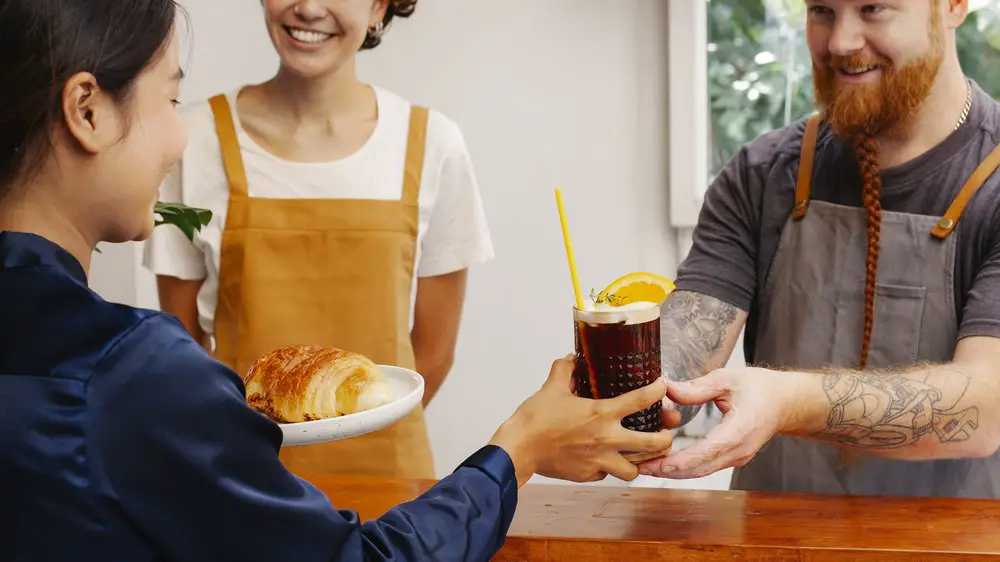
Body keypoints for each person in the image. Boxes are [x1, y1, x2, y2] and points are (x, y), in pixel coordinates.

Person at [0, 1, 676, 559]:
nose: (178, 131)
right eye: (170, 97)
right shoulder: (135, 375)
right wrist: (522, 444)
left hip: (353, 485)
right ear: (86, 111)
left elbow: (430, 353)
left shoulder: (430, 145)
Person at [637, 0, 1000, 498]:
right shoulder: (762, 174)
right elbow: (686, 349)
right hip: (770, 544)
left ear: (955, 6)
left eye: (873, 8)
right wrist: (628, 388)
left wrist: (786, 401)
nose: (839, 42)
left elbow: (981, 408)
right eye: (822, 10)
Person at [142, 0, 488, 479]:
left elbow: (434, 352)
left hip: (388, 480)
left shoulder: (433, 145)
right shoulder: (192, 140)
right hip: (242, 476)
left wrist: (349, 435)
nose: (306, 7)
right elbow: (182, 349)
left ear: (379, 7)